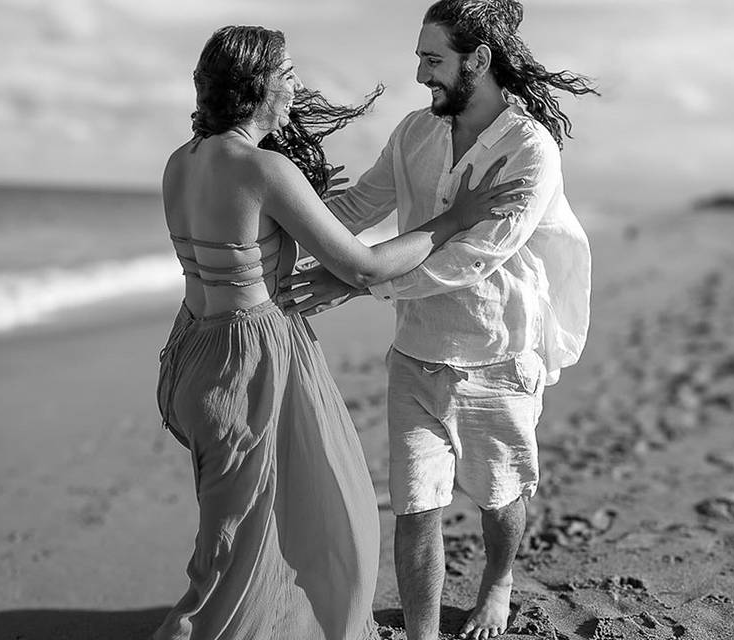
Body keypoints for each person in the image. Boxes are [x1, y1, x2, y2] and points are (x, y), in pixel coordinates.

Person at [151, 24, 526, 640]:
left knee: (249, 538)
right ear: (260, 87)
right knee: (297, 538)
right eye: (289, 76)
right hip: (250, 364)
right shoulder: (264, 168)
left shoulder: (182, 161)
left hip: (192, 351)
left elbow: (240, 242)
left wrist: (310, 204)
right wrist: (455, 218)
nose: (297, 88)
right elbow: (363, 265)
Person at [279, 1, 596, 638]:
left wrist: (355, 281)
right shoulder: (415, 133)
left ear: (478, 60)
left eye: (434, 60)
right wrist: (271, 221)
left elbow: (471, 260)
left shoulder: (529, 150)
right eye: (420, 57)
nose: (421, 73)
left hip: (500, 353)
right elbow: (360, 204)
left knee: (501, 496)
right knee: (416, 507)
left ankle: (499, 584)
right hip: (418, 350)